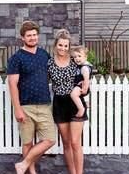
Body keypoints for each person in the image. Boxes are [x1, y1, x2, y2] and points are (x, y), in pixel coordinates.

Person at [7, 21, 56, 174]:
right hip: (25, 106)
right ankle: (31, 172)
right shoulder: (16, 58)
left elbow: (56, 72)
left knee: (49, 139)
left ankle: (23, 164)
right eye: (29, 35)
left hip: (44, 105)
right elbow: (12, 84)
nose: (32, 38)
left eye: (34, 35)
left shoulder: (44, 54)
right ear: (23, 38)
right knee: (28, 142)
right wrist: (18, 109)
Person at [48, 30, 86, 174]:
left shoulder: (74, 61)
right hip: (59, 103)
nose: (63, 48)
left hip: (75, 103)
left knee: (75, 142)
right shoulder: (50, 63)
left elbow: (86, 69)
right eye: (60, 45)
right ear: (55, 45)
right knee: (66, 142)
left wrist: (86, 86)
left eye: (65, 46)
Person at [68, 45, 92, 120]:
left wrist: (85, 88)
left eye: (79, 56)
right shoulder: (80, 65)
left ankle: (81, 109)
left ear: (85, 57)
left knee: (73, 95)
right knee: (74, 95)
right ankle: (85, 104)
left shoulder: (84, 67)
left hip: (83, 86)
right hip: (80, 85)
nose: (77, 58)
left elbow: (86, 78)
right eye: (75, 57)